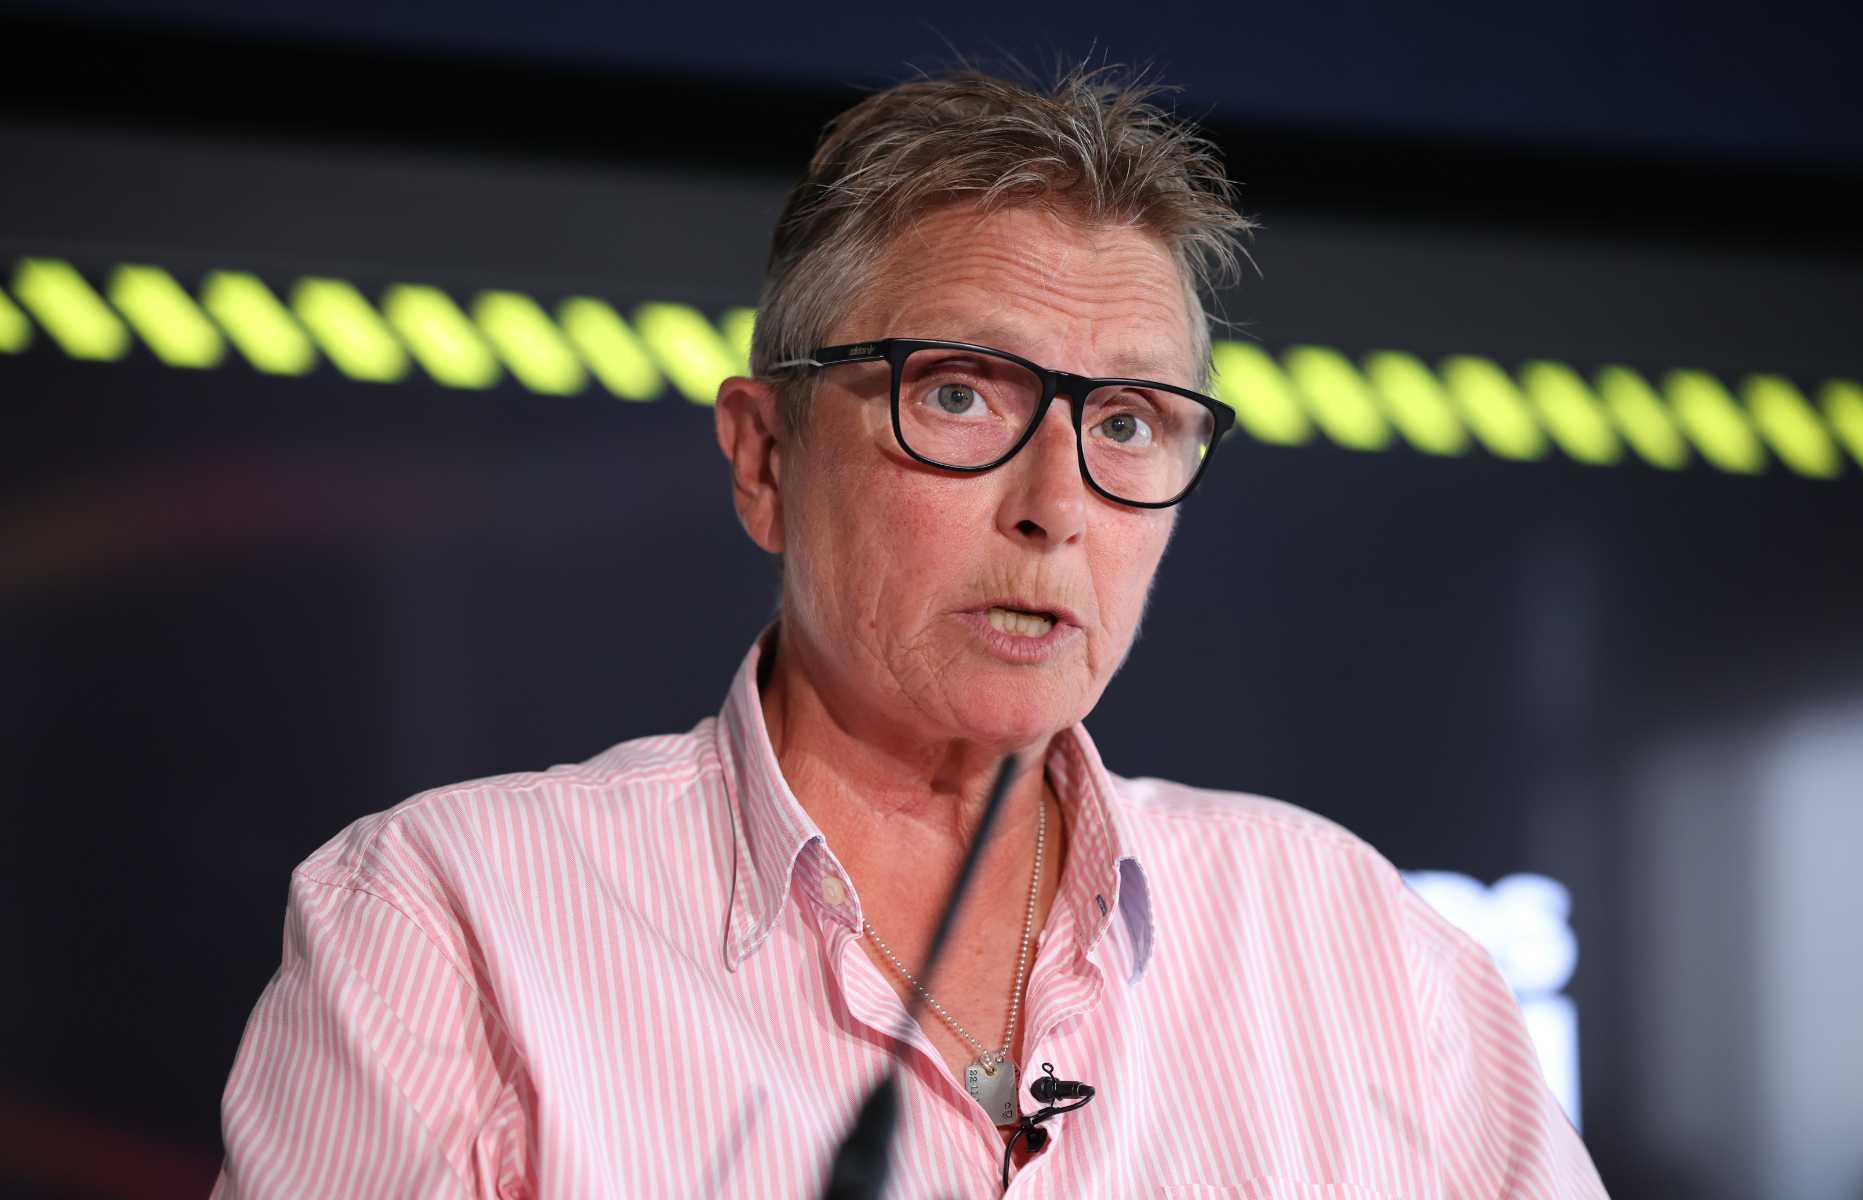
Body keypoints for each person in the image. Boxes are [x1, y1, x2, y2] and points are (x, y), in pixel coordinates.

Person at [212, 66, 1608, 1198]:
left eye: (1129, 422)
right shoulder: (448, 926)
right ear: (765, 458)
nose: (1055, 505)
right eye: (958, 395)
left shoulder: (1362, 949)